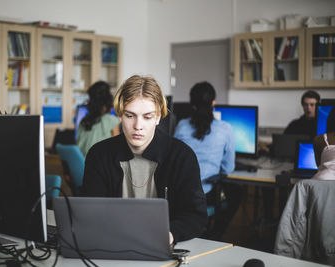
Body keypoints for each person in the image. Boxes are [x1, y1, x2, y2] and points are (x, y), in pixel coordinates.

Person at [81, 75, 207, 243]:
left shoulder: (182, 156)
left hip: (162, 245)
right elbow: (91, 213)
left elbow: (195, 216)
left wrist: (169, 235)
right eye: (130, 115)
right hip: (112, 243)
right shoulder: (99, 155)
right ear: (119, 115)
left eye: (147, 117)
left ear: (158, 117)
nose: (138, 126)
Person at [173, 81, 242, 240]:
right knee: (237, 191)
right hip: (206, 194)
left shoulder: (181, 126)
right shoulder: (225, 128)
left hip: (180, 193)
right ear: (213, 103)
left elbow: (174, 159)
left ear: (192, 105)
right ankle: (215, 234)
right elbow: (228, 168)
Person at [76, 81, 120, 156]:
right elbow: (117, 150)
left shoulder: (83, 122)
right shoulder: (112, 121)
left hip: (83, 165)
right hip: (99, 165)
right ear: (108, 101)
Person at [312, 107, 335, 180]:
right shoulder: (319, 140)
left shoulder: (319, 139)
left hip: (321, 183)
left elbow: (319, 166)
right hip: (323, 183)